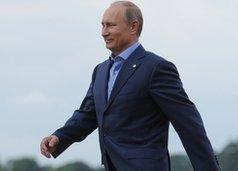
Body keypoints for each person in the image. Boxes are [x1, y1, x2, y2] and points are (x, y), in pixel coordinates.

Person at [40, 1, 220, 171]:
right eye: (102, 25)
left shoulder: (156, 68)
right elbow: (89, 114)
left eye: (110, 25)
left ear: (133, 27)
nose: (104, 32)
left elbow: (188, 124)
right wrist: (60, 137)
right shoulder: (100, 71)